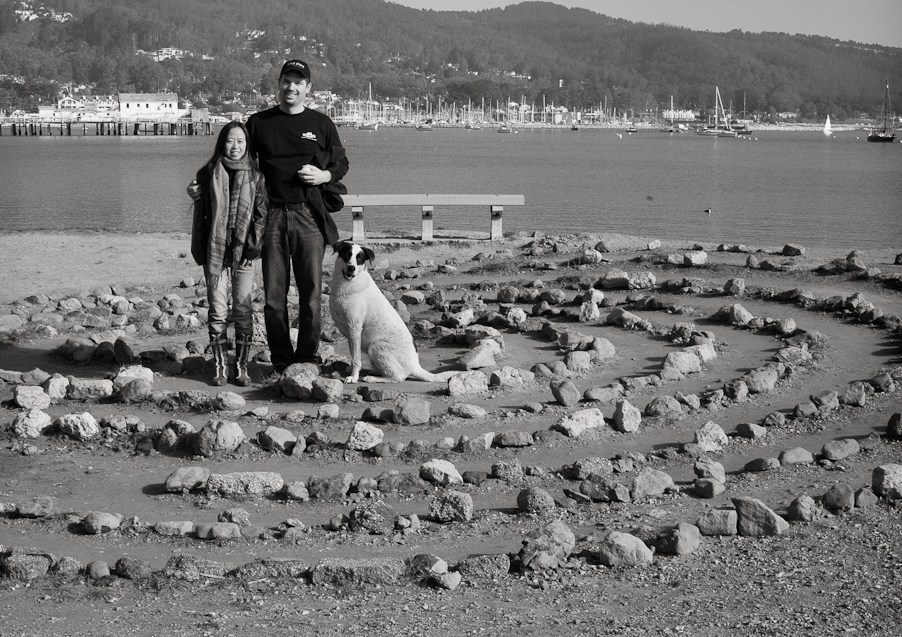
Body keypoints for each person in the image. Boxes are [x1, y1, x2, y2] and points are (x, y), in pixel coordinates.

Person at [243, 59, 349, 374]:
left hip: (309, 216)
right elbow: (240, 162)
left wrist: (323, 176)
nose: (291, 87)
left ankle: (307, 358)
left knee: (311, 293)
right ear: (278, 84)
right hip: (271, 216)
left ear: (307, 88)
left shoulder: (321, 123)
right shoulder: (259, 123)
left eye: (298, 82)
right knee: (274, 296)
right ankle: (280, 359)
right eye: (286, 81)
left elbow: (341, 163)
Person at [189, 121, 269, 386]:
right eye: (230, 141)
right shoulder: (208, 173)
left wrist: (253, 248)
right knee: (218, 310)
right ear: (221, 143)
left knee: (244, 310)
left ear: (247, 146)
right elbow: (201, 216)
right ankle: (221, 367)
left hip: (244, 253)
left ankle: (242, 367)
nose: (235, 147)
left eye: (241, 142)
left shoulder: (256, 177)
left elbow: (260, 216)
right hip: (216, 252)